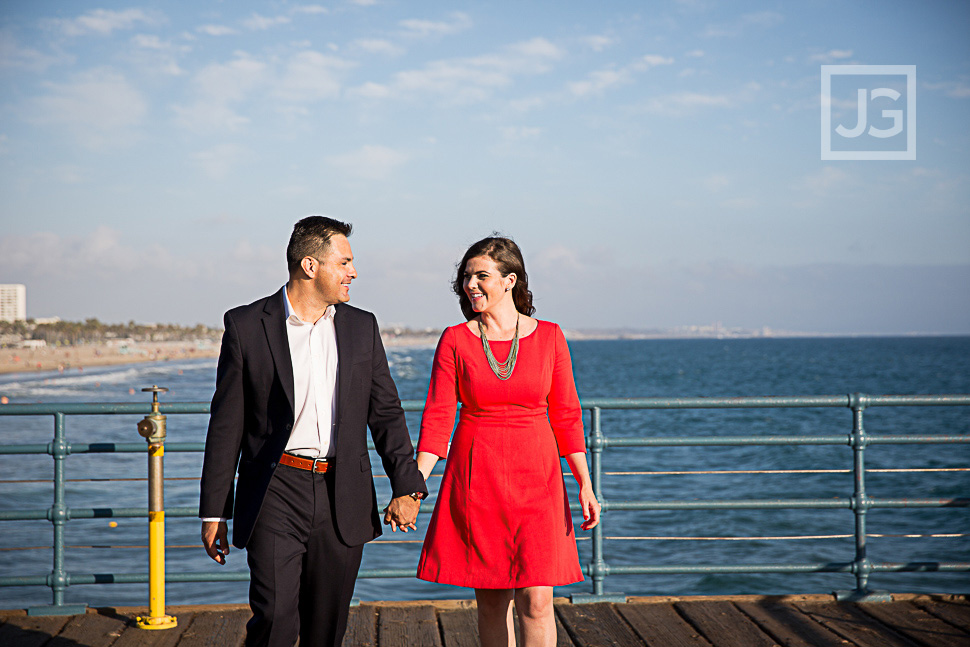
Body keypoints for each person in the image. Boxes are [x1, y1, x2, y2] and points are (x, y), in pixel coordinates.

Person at [199, 216, 427, 647]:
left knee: (326, 628)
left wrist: (406, 486)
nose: (353, 273)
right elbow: (226, 425)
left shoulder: (362, 327)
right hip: (274, 490)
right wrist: (215, 511)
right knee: (274, 620)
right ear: (310, 266)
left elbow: (386, 413)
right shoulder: (247, 326)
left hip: (344, 491)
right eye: (344, 262)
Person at [415, 236, 600, 647]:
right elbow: (439, 417)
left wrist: (585, 483)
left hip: (540, 481)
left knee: (537, 602)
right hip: (478, 480)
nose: (470, 285)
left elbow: (566, 414)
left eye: (482, 276)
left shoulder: (550, 336)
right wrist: (416, 483)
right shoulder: (455, 339)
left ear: (509, 280)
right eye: (466, 277)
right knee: (493, 601)